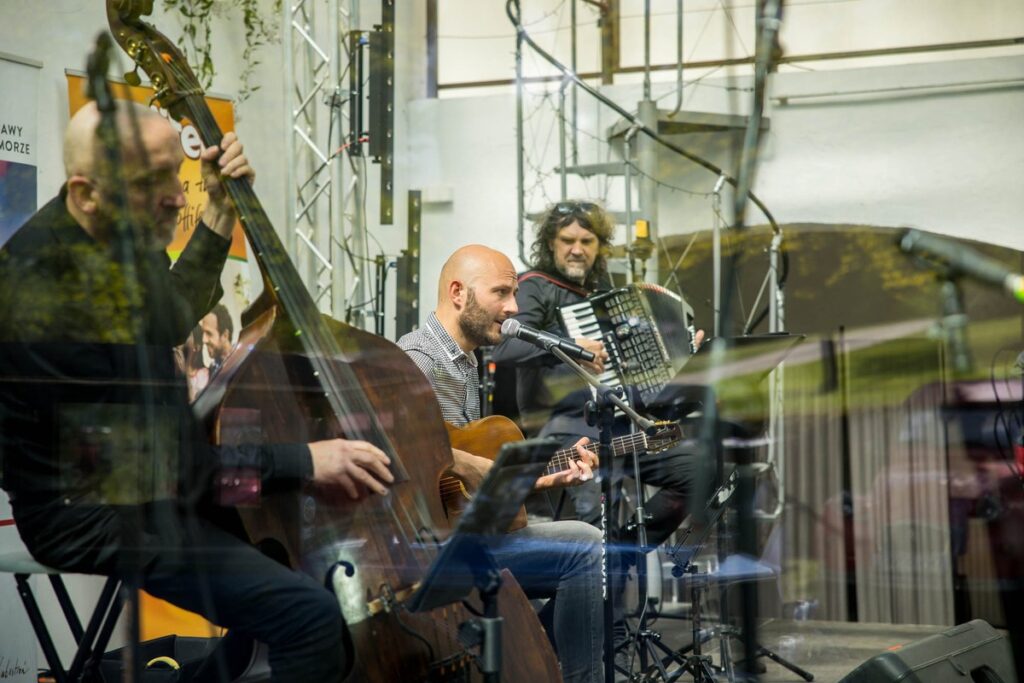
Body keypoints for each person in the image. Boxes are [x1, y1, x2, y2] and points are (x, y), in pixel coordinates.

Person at [0, 101, 395, 681]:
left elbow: (168, 315)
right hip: (93, 512)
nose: (174, 197)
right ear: (85, 194)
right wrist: (307, 460)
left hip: (151, 482)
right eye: (154, 181)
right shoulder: (45, 299)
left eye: (174, 176)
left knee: (298, 563)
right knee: (309, 618)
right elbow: (171, 471)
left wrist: (218, 207)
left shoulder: (115, 233)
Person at [490, 200, 708, 664]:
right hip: (561, 425)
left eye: (587, 241)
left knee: (699, 467)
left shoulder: (607, 291)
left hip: (618, 424)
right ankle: (590, 641)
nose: (577, 249)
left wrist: (681, 356)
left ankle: (622, 553)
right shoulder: (534, 288)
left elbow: (640, 364)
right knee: (591, 516)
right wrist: (572, 346)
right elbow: (505, 347)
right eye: (567, 240)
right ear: (551, 243)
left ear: (599, 246)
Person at [398, 244, 605, 683]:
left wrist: (540, 480)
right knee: (583, 546)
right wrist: (464, 462)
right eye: (501, 293)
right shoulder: (418, 359)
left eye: (514, 294)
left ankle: (530, 665)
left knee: (582, 557)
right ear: (458, 293)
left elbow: (467, 486)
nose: (513, 308)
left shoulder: (467, 360)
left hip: (470, 534)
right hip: (433, 550)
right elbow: (396, 450)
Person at [200, 302, 234, 377]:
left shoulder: (241, 359)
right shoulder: (212, 372)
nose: (203, 340)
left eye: (209, 333)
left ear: (225, 335)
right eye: (203, 333)